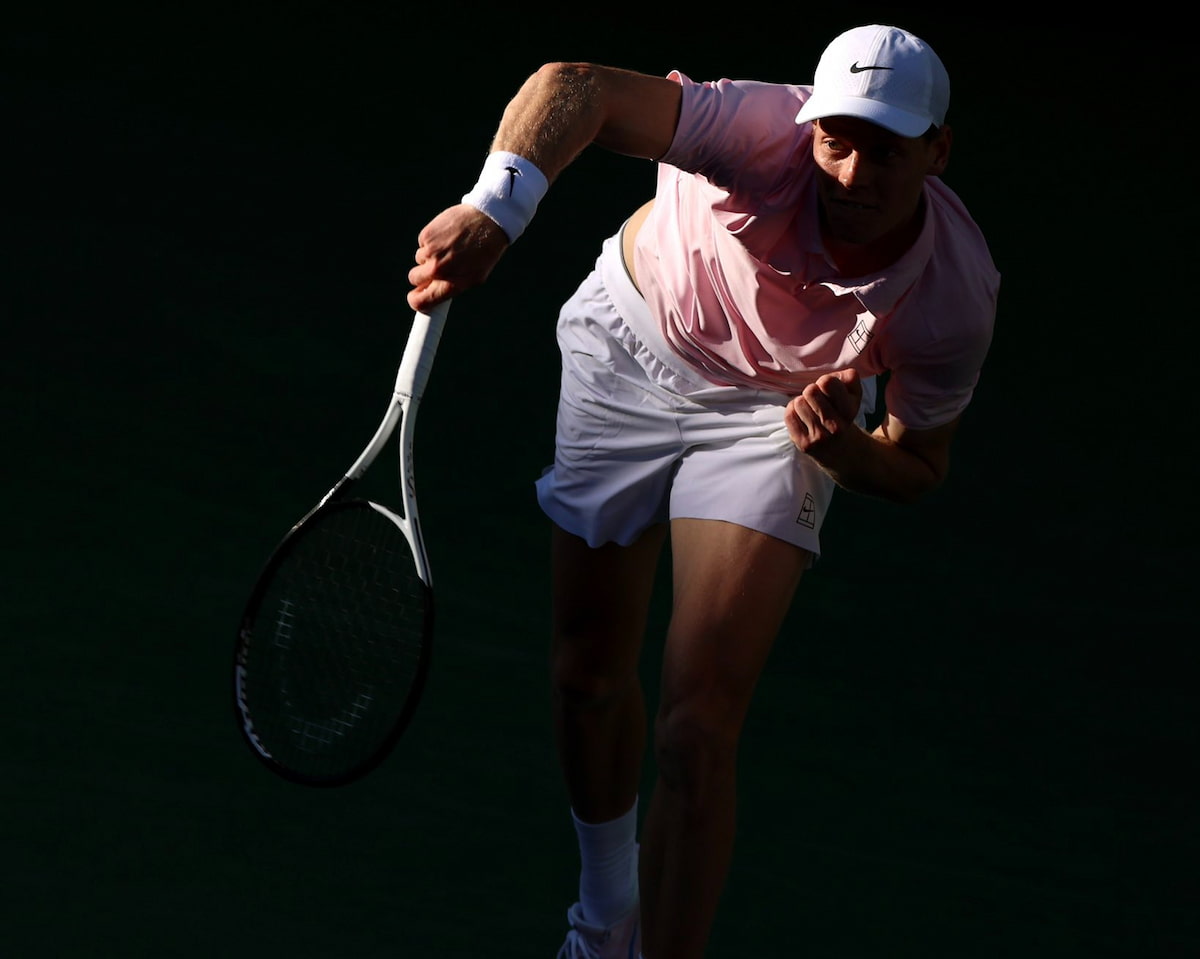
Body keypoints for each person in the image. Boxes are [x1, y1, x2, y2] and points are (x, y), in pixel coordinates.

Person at [407, 23, 999, 959]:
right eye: (837, 140)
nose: (852, 173)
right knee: (588, 674)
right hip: (630, 347)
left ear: (939, 150)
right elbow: (579, 85)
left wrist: (840, 450)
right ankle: (602, 924)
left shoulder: (955, 295)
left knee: (696, 729)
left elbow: (919, 463)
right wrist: (496, 210)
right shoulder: (759, 131)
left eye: (887, 151)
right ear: (809, 124)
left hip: (771, 419)